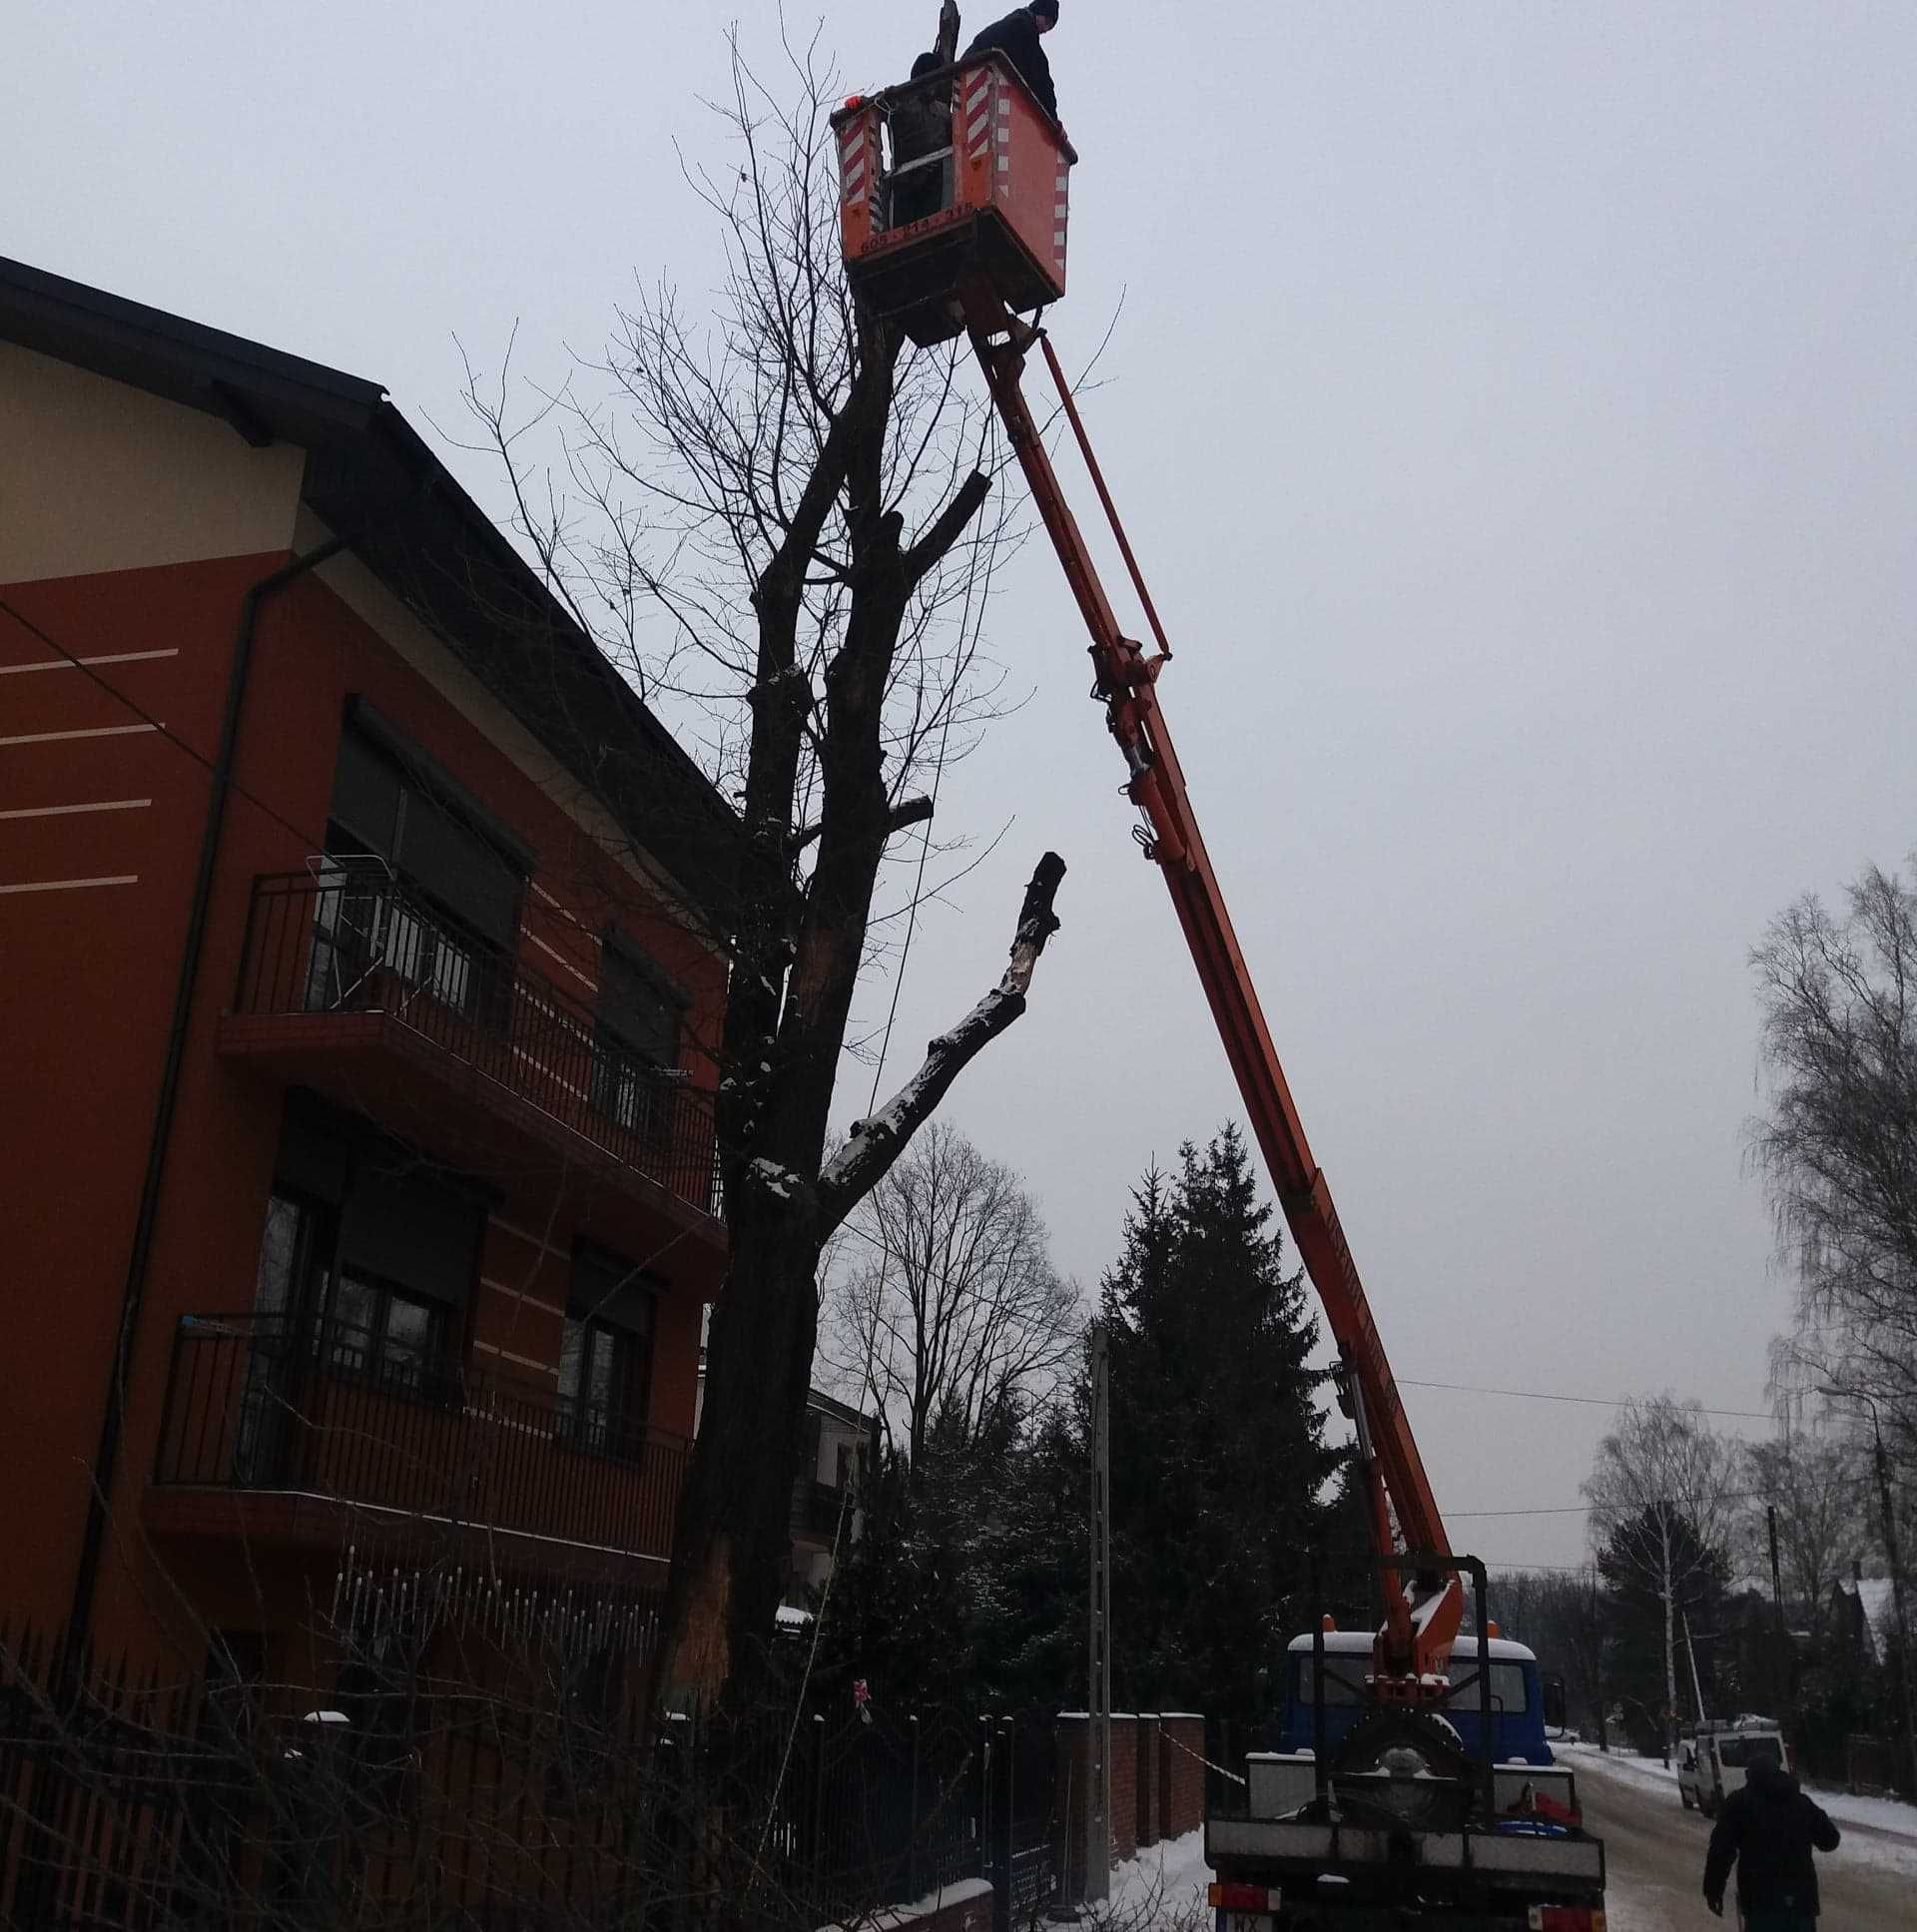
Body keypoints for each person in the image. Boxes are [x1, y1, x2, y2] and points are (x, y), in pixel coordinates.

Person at [1701, 1743, 1840, 1932]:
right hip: (1801, 1901)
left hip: (1760, 1900)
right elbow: (1830, 1840)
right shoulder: (1801, 1803)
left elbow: (1721, 1850)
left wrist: (1713, 1889)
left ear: (1750, 1776)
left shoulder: (1740, 1803)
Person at [964, 0, 1061, 127]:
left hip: (968, 76)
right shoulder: (1022, 27)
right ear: (1039, 12)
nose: (1046, 29)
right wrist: (1052, 118)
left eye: (1050, 27)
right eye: (1047, 22)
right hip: (979, 77)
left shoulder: (1015, 22)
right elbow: (1038, 73)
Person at [889, 50, 951, 229]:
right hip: (906, 183)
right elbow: (882, 109)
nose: (934, 86)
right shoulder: (900, 104)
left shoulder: (943, 111)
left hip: (935, 181)